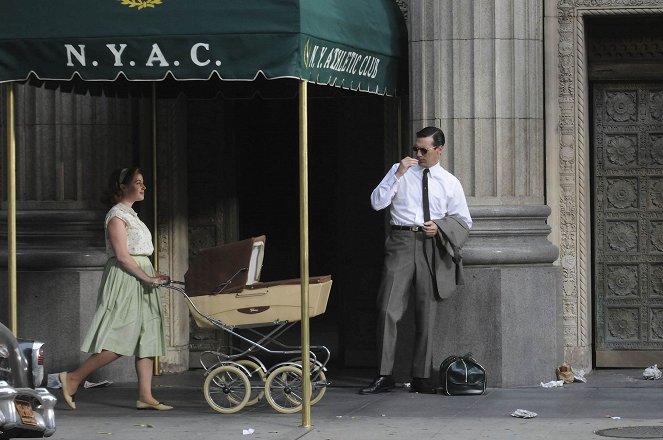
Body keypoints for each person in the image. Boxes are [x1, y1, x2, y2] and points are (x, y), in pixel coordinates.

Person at [359, 126, 472, 395]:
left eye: (424, 150)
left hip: (430, 244)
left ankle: (421, 376)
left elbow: (464, 221)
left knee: (426, 312)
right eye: (415, 149)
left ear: (439, 150)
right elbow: (376, 202)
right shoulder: (400, 172)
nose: (418, 154)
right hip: (400, 241)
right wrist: (397, 174)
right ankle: (384, 374)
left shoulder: (449, 181)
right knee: (387, 308)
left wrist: (440, 227)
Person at [59, 167, 172, 410]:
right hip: (126, 278)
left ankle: (145, 395)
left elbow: (138, 252)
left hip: (142, 275)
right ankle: (74, 378)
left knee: (148, 335)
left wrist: (152, 275)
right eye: (138, 182)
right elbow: (122, 256)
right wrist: (146, 277)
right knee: (121, 338)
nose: (143, 187)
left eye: (143, 183)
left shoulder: (132, 216)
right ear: (123, 187)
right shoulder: (116, 215)